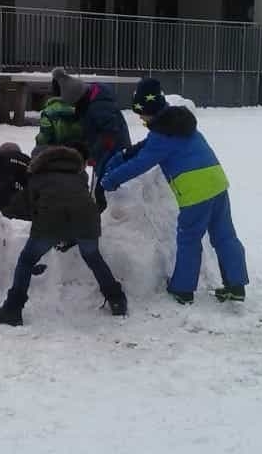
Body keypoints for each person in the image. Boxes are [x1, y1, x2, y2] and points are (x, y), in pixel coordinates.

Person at [100, 78, 249, 305]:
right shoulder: (178, 124)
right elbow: (148, 146)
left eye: (141, 114)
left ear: (150, 110)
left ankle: (182, 290)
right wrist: (126, 154)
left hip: (195, 192)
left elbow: (140, 163)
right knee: (224, 235)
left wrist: (110, 180)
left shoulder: (162, 136)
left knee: (189, 238)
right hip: (217, 183)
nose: (140, 119)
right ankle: (236, 285)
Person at [0, 145, 127, 326]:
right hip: (87, 221)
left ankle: (12, 310)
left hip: (50, 224)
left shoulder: (38, 177)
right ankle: (116, 300)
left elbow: (27, 206)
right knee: (93, 257)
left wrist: (2, 213)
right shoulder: (78, 176)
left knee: (27, 260)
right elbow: (76, 202)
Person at [50, 67, 131, 212]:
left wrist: (93, 153)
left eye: (73, 104)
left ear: (78, 99)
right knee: (103, 181)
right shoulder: (91, 98)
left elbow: (109, 133)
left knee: (105, 184)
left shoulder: (98, 106)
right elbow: (90, 124)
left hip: (113, 150)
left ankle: (108, 216)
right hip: (105, 147)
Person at [34, 79, 83, 150]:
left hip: (56, 156)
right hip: (80, 155)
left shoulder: (48, 112)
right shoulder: (82, 110)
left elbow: (43, 138)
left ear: (54, 91)